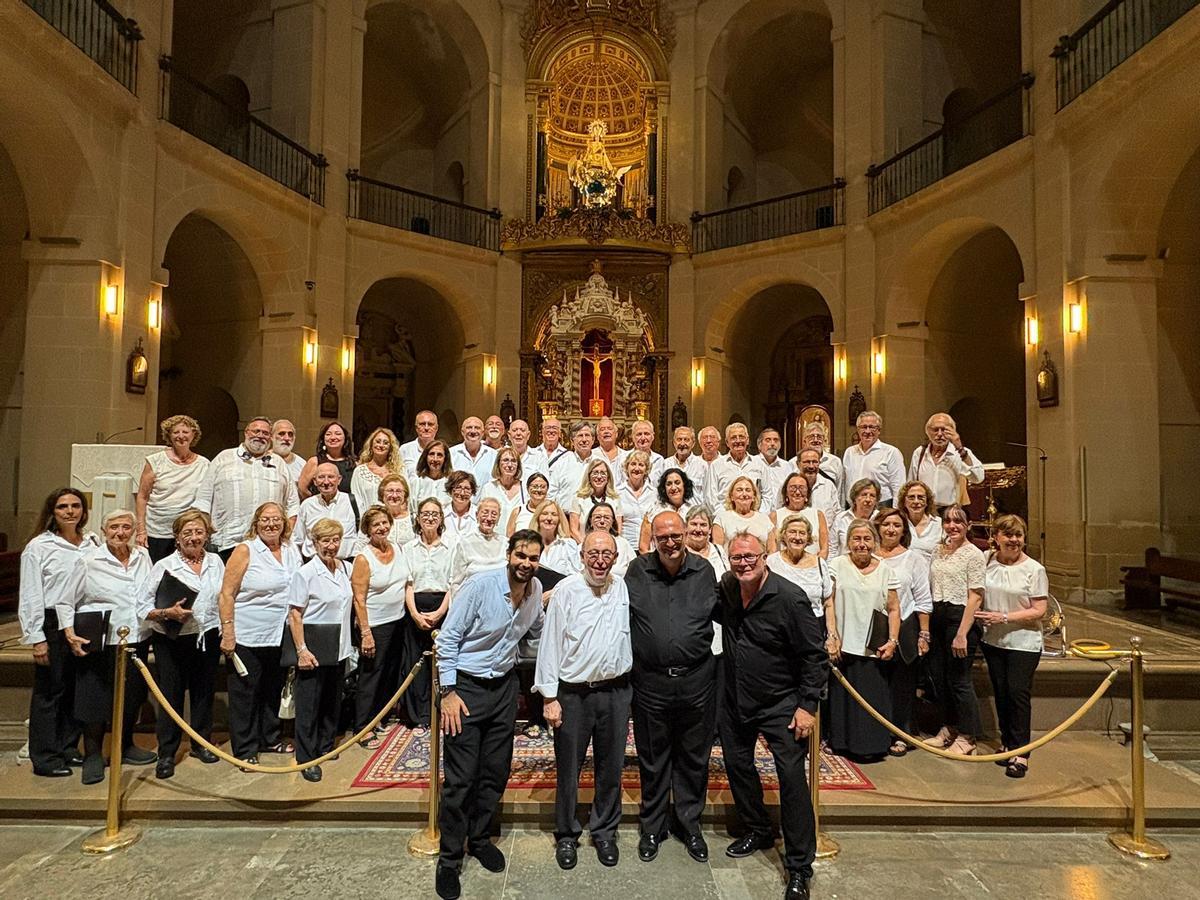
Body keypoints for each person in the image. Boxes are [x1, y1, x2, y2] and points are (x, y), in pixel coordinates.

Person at [434, 531, 545, 900]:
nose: (525, 563)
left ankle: (479, 839)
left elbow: (538, 632)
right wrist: (447, 693)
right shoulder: (480, 586)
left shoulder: (534, 591)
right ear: (508, 554)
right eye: (520, 556)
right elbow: (447, 638)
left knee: (495, 771)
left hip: (503, 689)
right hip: (465, 689)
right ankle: (449, 860)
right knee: (461, 780)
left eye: (532, 558)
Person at [719, 532, 829, 900]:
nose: (744, 563)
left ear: (765, 557)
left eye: (750, 557)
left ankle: (799, 865)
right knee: (737, 764)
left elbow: (814, 656)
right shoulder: (729, 588)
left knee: (791, 780)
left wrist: (806, 706)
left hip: (782, 703)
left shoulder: (789, 598)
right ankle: (758, 829)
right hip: (736, 698)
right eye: (737, 558)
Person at [624, 510, 719, 865]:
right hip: (650, 681)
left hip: (696, 680)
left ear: (685, 534)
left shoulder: (704, 570)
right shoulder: (638, 571)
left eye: (675, 535)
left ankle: (689, 824)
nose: (670, 541)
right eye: (662, 536)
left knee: (694, 757)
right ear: (653, 539)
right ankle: (653, 826)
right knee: (653, 756)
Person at [537, 531, 633, 870]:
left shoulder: (622, 587)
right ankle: (566, 834)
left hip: (616, 692)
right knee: (569, 768)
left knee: (611, 767)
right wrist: (550, 696)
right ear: (581, 555)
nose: (600, 560)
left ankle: (604, 831)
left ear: (616, 557)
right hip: (573, 693)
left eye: (607, 553)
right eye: (594, 553)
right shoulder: (565, 590)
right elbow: (549, 643)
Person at [61, 509, 156, 784]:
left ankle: (124, 745)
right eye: (114, 527)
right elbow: (66, 600)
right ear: (104, 531)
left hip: (136, 637)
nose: (120, 533)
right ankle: (92, 753)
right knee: (95, 698)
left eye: (126, 527)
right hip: (100, 640)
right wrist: (69, 632)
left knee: (131, 697)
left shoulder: (142, 557)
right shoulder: (89, 560)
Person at [138, 509, 224, 779]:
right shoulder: (164, 566)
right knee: (171, 696)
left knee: (202, 693)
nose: (194, 537)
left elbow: (224, 596)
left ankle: (201, 744)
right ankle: (167, 753)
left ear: (207, 536)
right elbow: (142, 605)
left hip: (206, 636)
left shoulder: (216, 562)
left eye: (199, 532)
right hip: (172, 640)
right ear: (176, 537)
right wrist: (167, 613)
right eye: (187, 533)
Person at [20, 488, 99, 777]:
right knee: (49, 691)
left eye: (76, 506)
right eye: (63, 506)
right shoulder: (39, 547)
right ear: (52, 512)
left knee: (75, 689)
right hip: (52, 623)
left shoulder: (92, 542)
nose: (70, 511)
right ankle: (45, 757)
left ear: (84, 510)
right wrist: (37, 638)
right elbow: (30, 595)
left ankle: (67, 747)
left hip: (83, 621)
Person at [218, 501, 303, 766]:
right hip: (248, 633)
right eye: (265, 520)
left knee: (272, 688)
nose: (271, 524)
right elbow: (226, 594)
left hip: (281, 633)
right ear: (256, 523)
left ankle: (270, 737)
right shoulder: (246, 550)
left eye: (276, 519)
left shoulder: (291, 550)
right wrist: (228, 631)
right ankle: (245, 749)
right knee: (246, 692)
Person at [976, 514, 1048, 778]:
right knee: (1002, 692)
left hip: (1023, 641)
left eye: (1018, 535)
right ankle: (1007, 744)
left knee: (1018, 694)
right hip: (993, 639)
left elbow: (1039, 609)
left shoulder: (1034, 569)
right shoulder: (987, 561)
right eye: (1008, 535)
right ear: (996, 537)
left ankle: (1021, 753)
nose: (1014, 540)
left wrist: (1004, 617)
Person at [826, 519, 900, 761]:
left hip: (873, 647)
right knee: (843, 698)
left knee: (872, 696)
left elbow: (893, 608)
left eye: (867, 539)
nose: (862, 544)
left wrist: (892, 640)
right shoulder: (836, 565)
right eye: (856, 539)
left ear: (874, 541)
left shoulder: (885, 570)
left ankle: (873, 745)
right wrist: (832, 635)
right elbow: (829, 602)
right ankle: (841, 743)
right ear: (848, 542)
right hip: (844, 643)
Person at [288, 518, 354, 783]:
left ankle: (326, 746)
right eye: (325, 540)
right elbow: (295, 614)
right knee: (309, 704)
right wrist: (301, 649)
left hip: (338, 646)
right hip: (314, 648)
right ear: (314, 543)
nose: (331, 545)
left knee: (331, 700)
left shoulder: (344, 568)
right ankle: (307, 757)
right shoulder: (305, 574)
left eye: (335, 540)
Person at [925, 504, 986, 755]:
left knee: (960, 680)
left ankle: (968, 735)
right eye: (948, 521)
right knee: (940, 679)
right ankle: (948, 727)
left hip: (960, 618)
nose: (953, 526)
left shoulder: (973, 555)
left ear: (968, 525)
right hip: (938, 615)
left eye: (958, 521)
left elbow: (976, 596)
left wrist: (962, 633)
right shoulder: (937, 551)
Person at [351, 506, 413, 749]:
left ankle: (379, 717)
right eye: (376, 524)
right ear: (367, 529)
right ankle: (362, 727)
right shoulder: (363, 558)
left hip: (397, 621)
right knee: (370, 676)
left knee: (388, 674)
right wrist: (366, 633)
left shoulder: (397, 549)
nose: (382, 528)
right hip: (374, 626)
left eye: (385, 523)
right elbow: (359, 599)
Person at [195, 417, 299, 561]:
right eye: (256, 431)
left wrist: (285, 534)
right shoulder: (224, 458)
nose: (260, 436)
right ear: (246, 433)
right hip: (228, 543)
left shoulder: (278, 463)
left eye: (265, 433)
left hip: (267, 545)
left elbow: (293, 504)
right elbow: (203, 499)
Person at [873, 507, 932, 756]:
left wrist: (924, 634)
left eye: (896, 525)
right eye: (886, 524)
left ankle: (901, 733)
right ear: (877, 528)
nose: (891, 529)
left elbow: (923, 599)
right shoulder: (869, 556)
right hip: (874, 626)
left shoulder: (914, 559)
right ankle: (875, 732)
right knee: (876, 683)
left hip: (905, 626)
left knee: (902, 685)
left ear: (903, 530)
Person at [401, 498, 452, 726]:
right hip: (415, 608)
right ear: (418, 518)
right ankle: (419, 716)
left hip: (443, 607)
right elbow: (408, 584)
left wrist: (440, 613)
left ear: (441, 519)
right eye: (425, 514)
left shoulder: (452, 546)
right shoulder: (408, 548)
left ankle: (441, 712)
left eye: (435, 514)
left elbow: (453, 584)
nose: (430, 518)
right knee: (416, 664)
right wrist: (415, 614)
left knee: (442, 663)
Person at [135, 414, 210, 561]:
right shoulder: (156, 461)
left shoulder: (204, 464)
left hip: (188, 532)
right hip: (157, 530)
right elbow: (142, 497)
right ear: (169, 435)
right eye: (176, 432)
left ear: (193, 434)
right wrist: (141, 530)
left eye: (185, 432)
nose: (181, 436)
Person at [909, 413, 985, 514]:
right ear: (927, 432)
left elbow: (978, 478)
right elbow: (911, 483)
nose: (940, 434)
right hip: (924, 511)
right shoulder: (919, 453)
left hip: (950, 512)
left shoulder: (960, 453)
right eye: (935, 430)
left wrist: (960, 449)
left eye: (944, 430)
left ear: (953, 431)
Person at [767, 515, 832, 621]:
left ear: (808, 538)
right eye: (792, 532)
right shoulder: (771, 562)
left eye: (802, 533)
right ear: (783, 535)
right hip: (779, 625)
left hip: (813, 627)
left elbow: (828, 603)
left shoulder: (819, 563)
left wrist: (832, 634)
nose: (797, 537)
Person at [293, 462, 358, 560]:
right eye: (321, 477)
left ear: (339, 480)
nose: (326, 482)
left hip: (346, 565)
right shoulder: (307, 505)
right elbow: (297, 540)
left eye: (331, 477)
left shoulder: (354, 502)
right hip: (313, 565)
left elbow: (363, 536)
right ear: (314, 481)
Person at [842, 411, 904, 508]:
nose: (867, 431)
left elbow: (899, 487)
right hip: (854, 508)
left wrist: (896, 512)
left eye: (872, 427)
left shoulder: (891, 452)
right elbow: (846, 484)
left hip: (881, 507)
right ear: (858, 430)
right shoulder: (849, 452)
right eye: (864, 427)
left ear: (879, 430)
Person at [703, 423, 765, 514]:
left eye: (741, 437)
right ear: (727, 442)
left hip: (754, 518)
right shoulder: (716, 465)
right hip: (725, 518)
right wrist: (725, 516)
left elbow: (767, 494)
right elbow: (710, 497)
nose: (738, 440)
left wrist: (757, 514)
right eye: (733, 438)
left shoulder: (759, 464)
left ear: (747, 440)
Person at [448, 497, 506, 593]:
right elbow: (457, 583)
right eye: (485, 513)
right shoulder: (465, 543)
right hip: (473, 598)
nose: (489, 518)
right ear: (476, 515)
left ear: (499, 518)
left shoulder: (505, 543)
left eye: (494, 514)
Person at [770, 473, 828, 558]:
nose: (797, 492)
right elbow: (772, 551)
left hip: (811, 567)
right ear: (786, 492)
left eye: (802, 488)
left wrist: (813, 565)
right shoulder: (775, 516)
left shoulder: (818, 515)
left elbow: (824, 549)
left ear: (808, 492)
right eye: (793, 488)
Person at [351, 427, 404, 516]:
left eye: (386, 443)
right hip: (369, 522)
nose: (381, 445)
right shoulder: (360, 472)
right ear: (371, 445)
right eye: (378, 441)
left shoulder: (399, 470)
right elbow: (357, 501)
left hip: (395, 520)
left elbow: (405, 498)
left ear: (390, 447)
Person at [639, 467, 695, 551]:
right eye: (669, 484)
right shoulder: (654, 511)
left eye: (677, 483)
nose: (673, 487)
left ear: (684, 485)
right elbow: (643, 547)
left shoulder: (693, 511)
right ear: (664, 489)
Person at [715, 476, 775, 552]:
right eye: (739, 490)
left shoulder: (764, 518)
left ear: (754, 497)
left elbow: (772, 550)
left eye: (748, 490)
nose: (744, 494)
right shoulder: (721, 518)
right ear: (732, 496)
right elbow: (718, 551)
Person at [298, 420, 356, 498]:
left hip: (346, 508)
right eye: (328, 434)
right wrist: (316, 503)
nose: (333, 437)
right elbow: (302, 489)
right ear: (323, 439)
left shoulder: (354, 464)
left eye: (338, 434)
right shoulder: (314, 462)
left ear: (345, 438)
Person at [569, 458, 621, 541]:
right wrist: (586, 546)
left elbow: (618, 530)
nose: (599, 476)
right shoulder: (579, 498)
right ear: (589, 476)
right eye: (595, 473)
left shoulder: (615, 499)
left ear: (608, 477)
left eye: (603, 473)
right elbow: (573, 530)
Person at [829, 478, 880, 559]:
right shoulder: (841, 518)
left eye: (872, 496)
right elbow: (832, 549)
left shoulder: (880, 519)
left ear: (877, 500)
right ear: (855, 498)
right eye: (864, 495)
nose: (868, 499)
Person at [794, 422, 844, 504]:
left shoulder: (835, 462)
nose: (816, 440)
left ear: (825, 440)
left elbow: (840, 492)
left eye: (819, 437)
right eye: (811, 437)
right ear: (804, 441)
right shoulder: (793, 462)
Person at [551, 421, 595, 509]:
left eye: (587, 435)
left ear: (593, 440)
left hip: (593, 518)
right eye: (580, 436)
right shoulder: (561, 463)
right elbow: (551, 492)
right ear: (572, 440)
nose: (584, 440)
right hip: (565, 517)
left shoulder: (600, 462)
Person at [479, 447, 525, 532]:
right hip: (494, 540)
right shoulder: (489, 488)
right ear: (498, 464)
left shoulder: (525, 488)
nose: (510, 465)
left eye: (514, 461)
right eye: (505, 460)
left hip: (518, 541)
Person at [584, 502, 636, 575]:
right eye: (598, 517)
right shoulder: (583, 545)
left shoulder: (623, 544)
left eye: (607, 518)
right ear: (590, 520)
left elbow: (635, 568)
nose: (602, 521)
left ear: (612, 521)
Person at [619, 450, 657, 549]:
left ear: (647, 469)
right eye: (633, 464)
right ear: (627, 467)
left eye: (641, 465)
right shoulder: (617, 492)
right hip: (626, 546)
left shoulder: (655, 493)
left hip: (649, 548)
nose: (636, 468)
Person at [899, 479, 943, 558]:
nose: (916, 501)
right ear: (904, 502)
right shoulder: (899, 523)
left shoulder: (939, 524)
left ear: (927, 501)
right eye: (911, 497)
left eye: (920, 497)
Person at [450, 416, 497, 486]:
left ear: (483, 432)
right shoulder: (451, 453)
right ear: (462, 432)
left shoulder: (494, 455)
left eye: (477, 428)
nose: (473, 431)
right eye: (469, 427)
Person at [797, 448, 840, 522]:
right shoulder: (789, 485)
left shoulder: (829, 486)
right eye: (806, 462)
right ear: (798, 464)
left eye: (814, 462)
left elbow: (837, 515)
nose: (811, 466)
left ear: (819, 463)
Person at [756, 427, 791, 514]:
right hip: (758, 515)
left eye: (776, 440)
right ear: (759, 445)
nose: (772, 443)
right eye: (768, 440)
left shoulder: (787, 467)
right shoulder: (752, 464)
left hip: (781, 514)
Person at [413, 439, 455, 510]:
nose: (435, 459)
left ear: (445, 458)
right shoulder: (417, 481)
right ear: (426, 457)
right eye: (431, 454)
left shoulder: (451, 482)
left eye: (439, 455)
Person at [375, 473, 415, 546]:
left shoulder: (414, 518)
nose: (394, 495)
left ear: (405, 495)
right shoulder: (374, 517)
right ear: (382, 493)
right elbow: (361, 544)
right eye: (390, 491)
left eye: (398, 491)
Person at [400, 409, 439, 480]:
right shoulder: (404, 449)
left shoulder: (443, 451)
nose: (426, 428)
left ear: (436, 428)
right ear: (416, 428)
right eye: (422, 424)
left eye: (430, 424)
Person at [443, 471, 479, 542]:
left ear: (472, 492)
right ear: (450, 490)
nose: (462, 493)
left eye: (467, 489)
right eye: (458, 487)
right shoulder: (442, 513)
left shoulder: (478, 515)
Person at [271, 419, 307, 489]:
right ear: (272, 437)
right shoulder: (263, 460)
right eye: (281, 434)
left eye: (290, 434)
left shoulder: (302, 465)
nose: (286, 438)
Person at [592, 416, 625, 485]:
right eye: (602, 429)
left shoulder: (626, 456)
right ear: (597, 436)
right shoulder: (591, 455)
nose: (606, 431)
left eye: (609, 429)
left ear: (616, 434)